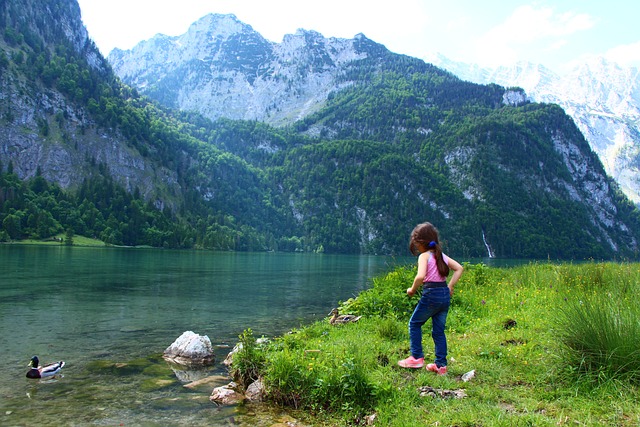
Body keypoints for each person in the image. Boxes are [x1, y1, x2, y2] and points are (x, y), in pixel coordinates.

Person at [398, 222, 464, 375]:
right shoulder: (440, 255)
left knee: (414, 323)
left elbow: (420, 276)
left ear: (421, 242)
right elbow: (459, 268)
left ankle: (416, 357)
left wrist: (412, 290)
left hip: (431, 294)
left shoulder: (424, 256)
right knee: (439, 332)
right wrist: (450, 286)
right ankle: (441, 366)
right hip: (444, 295)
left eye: (416, 244)